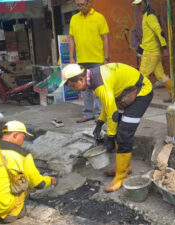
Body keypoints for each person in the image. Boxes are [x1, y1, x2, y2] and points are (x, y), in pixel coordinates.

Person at [60, 63, 153, 192]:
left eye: (73, 85)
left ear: (81, 79)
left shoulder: (98, 83)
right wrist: (100, 123)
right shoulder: (93, 78)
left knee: (124, 134)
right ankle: (125, 167)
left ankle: (121, 176)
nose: (74, 89)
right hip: (126, 93)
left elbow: (113, 113)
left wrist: (110, 136)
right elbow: (107, 104)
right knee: (119, 130)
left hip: (141, 93)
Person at [0, 121, 58, 223]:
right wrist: (51, 180)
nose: (23, 141)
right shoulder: (22, 155)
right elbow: (38, 184)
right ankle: (12, 213)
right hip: (3, 205)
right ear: (15, 135)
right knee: (23, 182)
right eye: (23, 137)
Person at [69, 0, 110, 123]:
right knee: (83, 88)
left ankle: (99, 113)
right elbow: (71, 39)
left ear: (89, 3)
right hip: (81, 59)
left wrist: (106, 58)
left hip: (97, 59)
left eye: (82, 4)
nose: (80, 7)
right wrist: (71, 57)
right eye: (78, 5)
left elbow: (105, 38)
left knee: (97, 87)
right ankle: (87, 114)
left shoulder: (99, 17)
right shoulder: (74, 19)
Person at [132, 0, 175, 103]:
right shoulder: (146, 15)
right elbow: (149, 36)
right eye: (137, 5)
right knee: (161, 76)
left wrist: (165, 48)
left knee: (142, 75)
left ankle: (139, 99)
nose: (138, 6)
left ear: (145, 2)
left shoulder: (150, 16)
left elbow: (159, 32)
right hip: (152, 51)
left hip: (151, 52)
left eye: (140, 3)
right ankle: (174, 95)